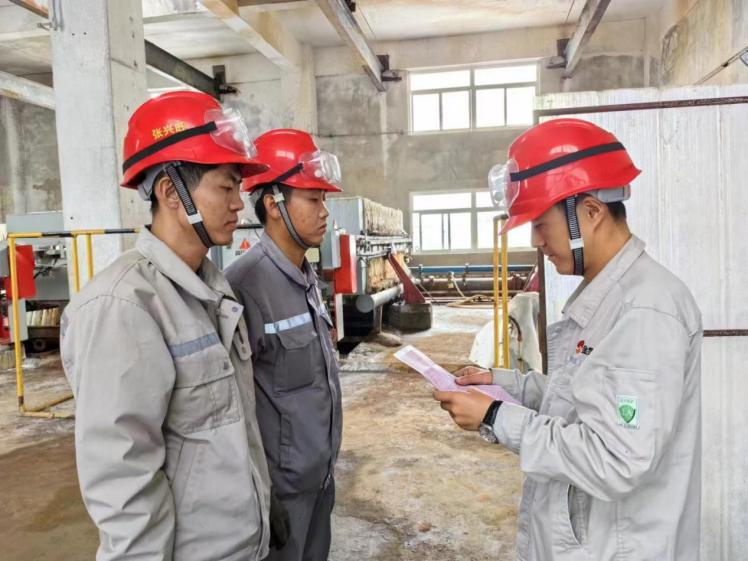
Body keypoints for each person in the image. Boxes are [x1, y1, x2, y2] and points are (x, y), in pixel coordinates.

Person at [434, 118, 702, 561]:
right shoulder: (611, 296)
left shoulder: (646, 310)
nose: (536, 240)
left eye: (541, 224)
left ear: (591, 212)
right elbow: (583, 396)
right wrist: (504, 384)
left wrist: (497, 416)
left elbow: (615, 458)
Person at [60, 90, 275, 561]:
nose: (239, 204)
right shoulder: (123, 307)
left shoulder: (214, 290)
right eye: (226, 187)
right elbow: (123, 480)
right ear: (170, 192)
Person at [225, 129, 343, 561]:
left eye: (323, 198)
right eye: (313, 199)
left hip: (320, 480)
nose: (325, 211)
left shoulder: (307, 279)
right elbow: (232, 408)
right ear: (274, 204)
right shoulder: (243, 287)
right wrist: (259, 493)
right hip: (280, 495)